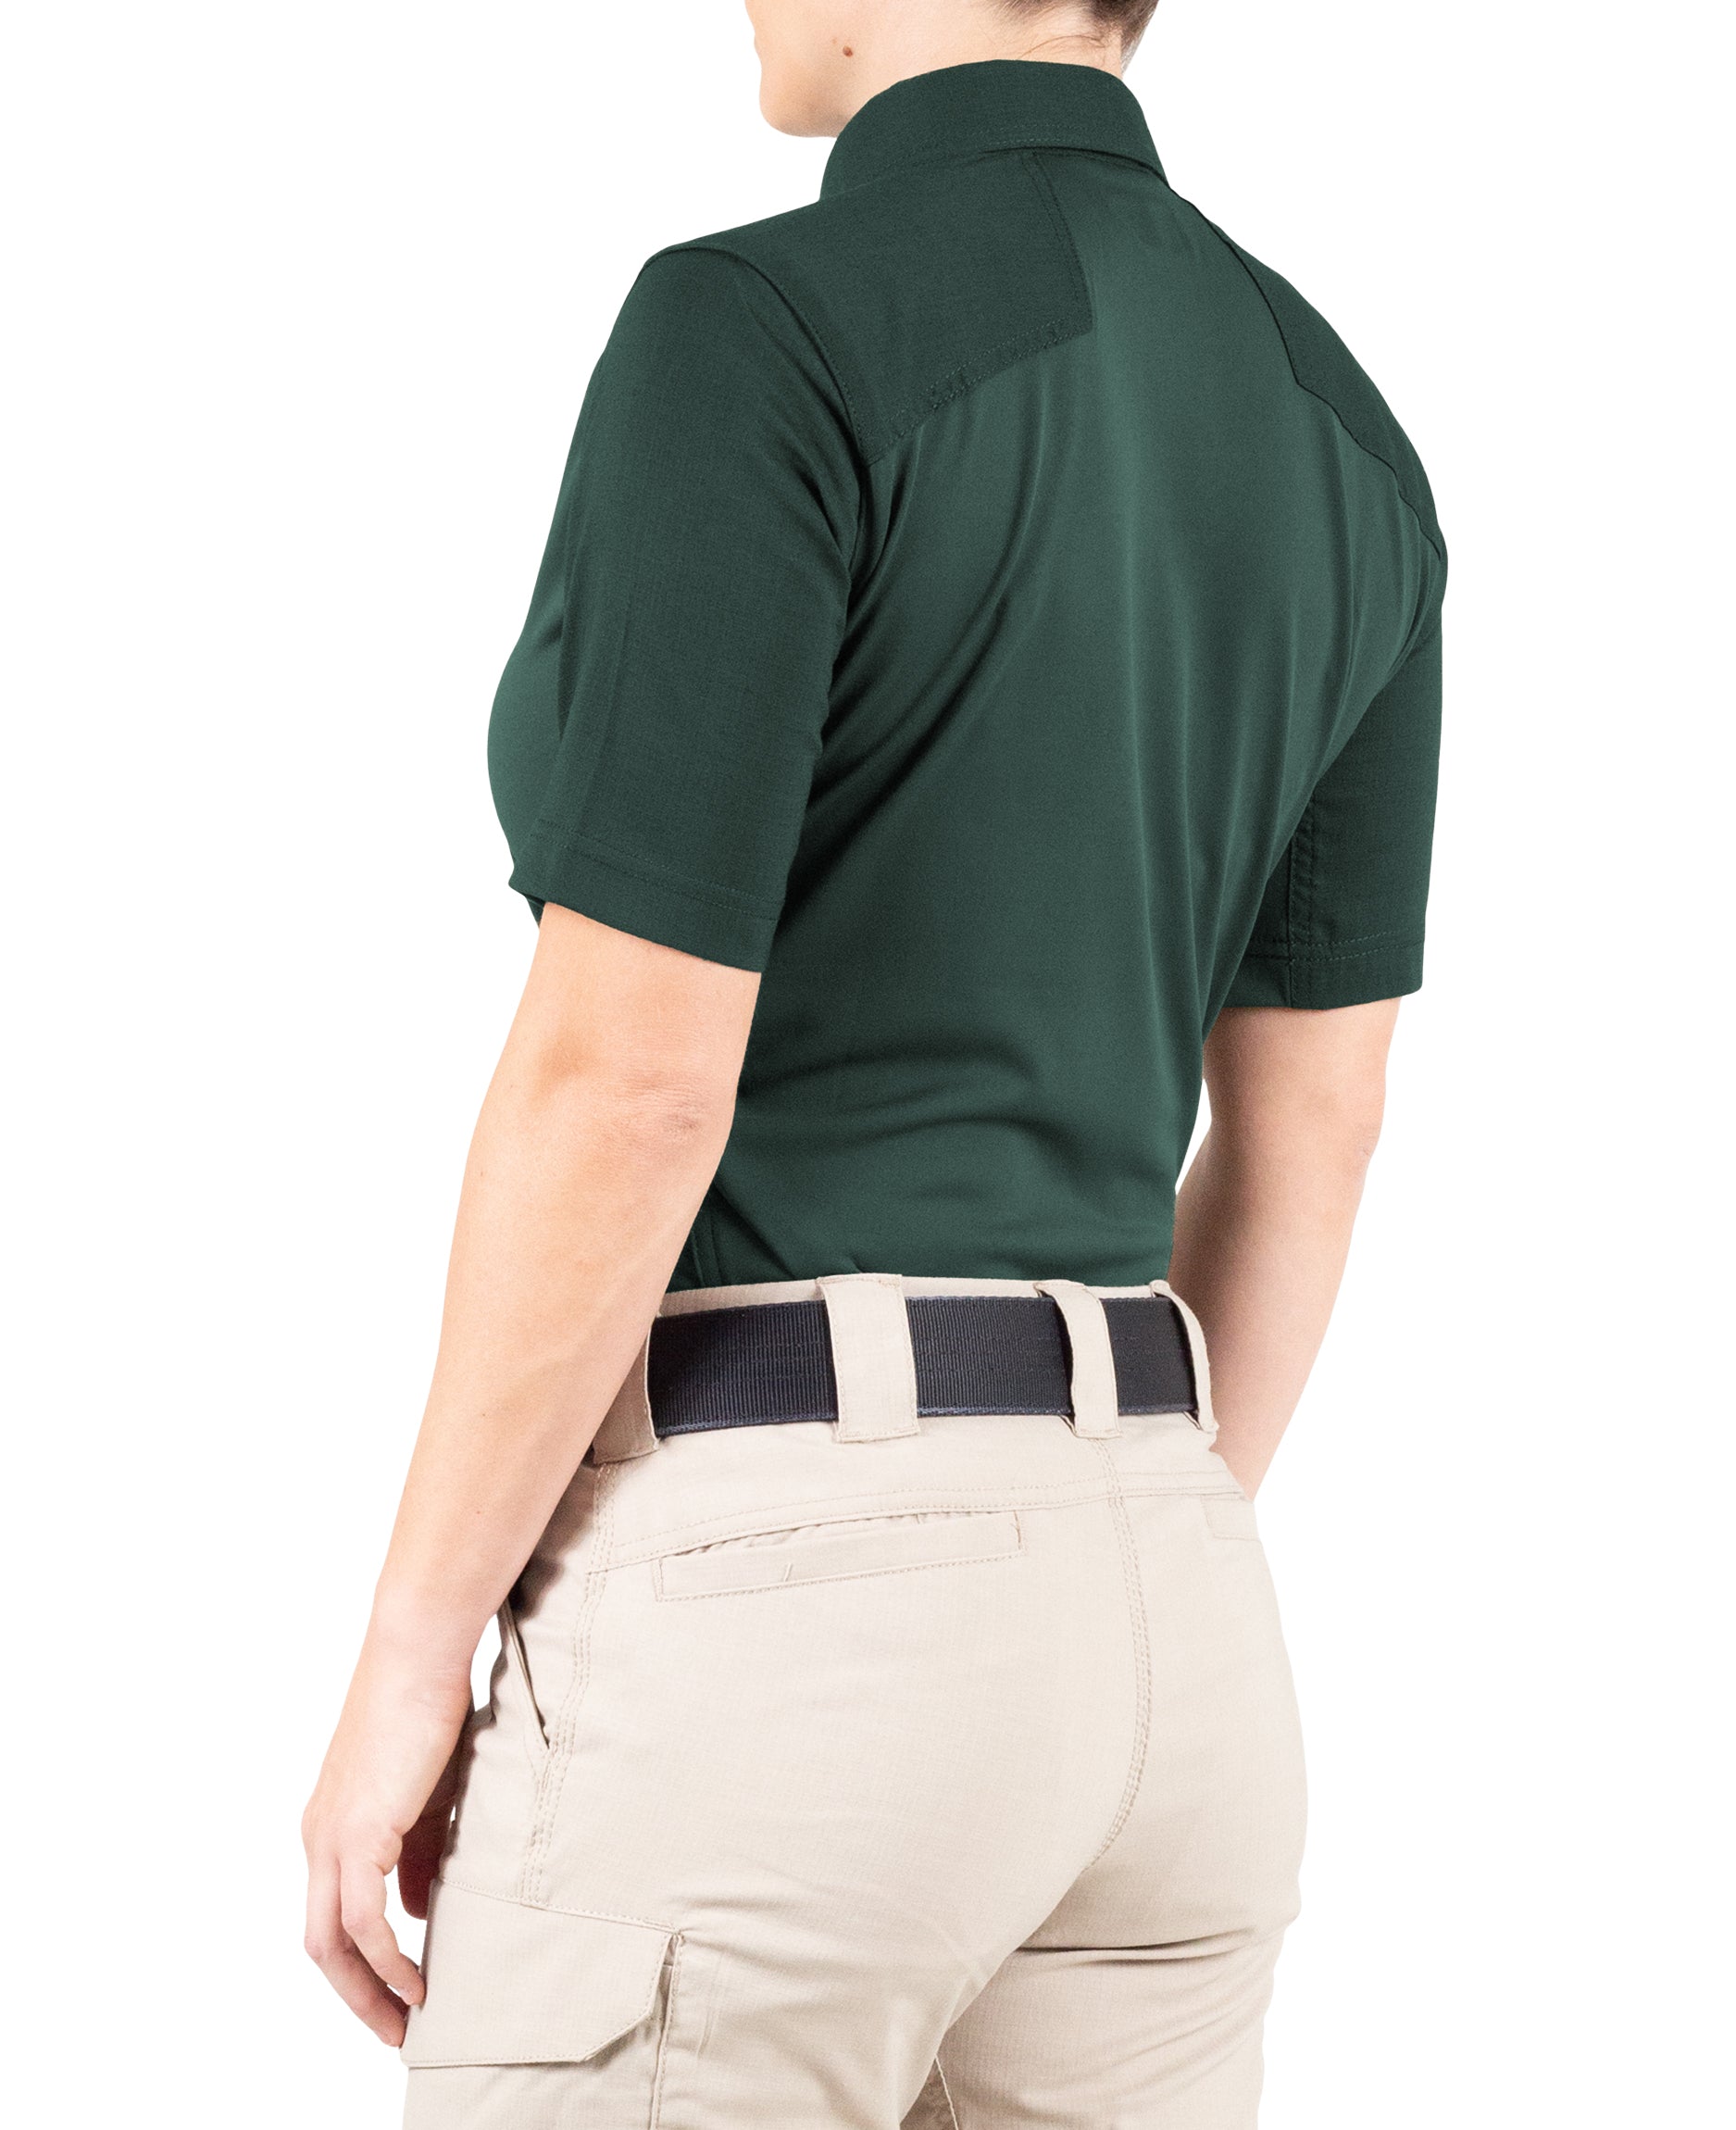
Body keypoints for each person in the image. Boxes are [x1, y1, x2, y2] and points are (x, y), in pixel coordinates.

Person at [302, 1, 1445, 2123]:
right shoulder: (1337, 425)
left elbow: (629, 1082)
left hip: (783, 1638)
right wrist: (1093, 1542)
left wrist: (408, 1654)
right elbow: (1321, 1130)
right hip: (1177, 1626)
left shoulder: (764, 332)